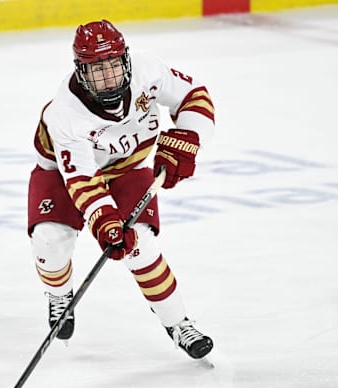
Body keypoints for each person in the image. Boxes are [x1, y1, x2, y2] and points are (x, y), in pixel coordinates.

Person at [27, 19, 215, 360]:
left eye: (113, 65)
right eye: (96, 70)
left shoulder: (149, 70)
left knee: (141, 246)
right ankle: (59, 295)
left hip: (128, 167)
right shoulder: (65, 113)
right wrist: (104, 221)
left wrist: (188, 138)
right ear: (81, 72)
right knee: (50, 240)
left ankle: (179, 323)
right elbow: (83, 180)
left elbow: (194, 96)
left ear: (126, 60)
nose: (107, 77)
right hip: (61, 172)